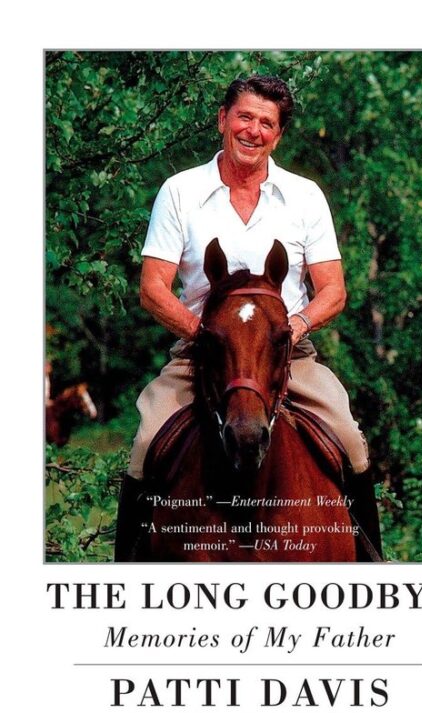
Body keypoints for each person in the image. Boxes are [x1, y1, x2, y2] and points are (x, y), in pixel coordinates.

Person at [115, 75, 382, 561]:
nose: (253, 130)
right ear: (223, 119)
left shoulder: (305, 196)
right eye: (244, 117)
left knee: (349, 436)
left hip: (285, 352)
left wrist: (294, 328)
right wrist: (205, 334)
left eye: (266, 123)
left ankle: (372, 564)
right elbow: (153, 288)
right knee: (145, 442)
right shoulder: (180, 191)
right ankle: (125, 572)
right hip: (203, 351)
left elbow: (333, 290)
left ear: (278, 135)